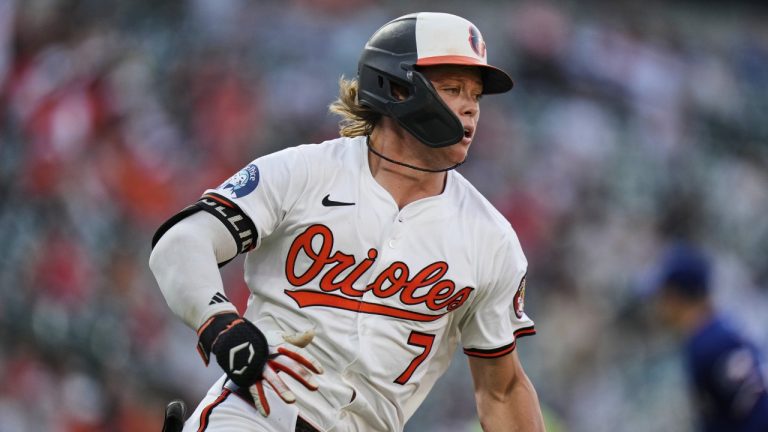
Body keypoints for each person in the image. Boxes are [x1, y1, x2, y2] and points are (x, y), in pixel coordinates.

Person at [150, 12, 544, 432]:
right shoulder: (304, 171)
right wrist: (220, 322)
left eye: (476, 96)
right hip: (256, 414)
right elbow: (182, 239)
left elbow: (501, 390)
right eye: (453, 89)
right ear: (397, 85)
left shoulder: (491, 238)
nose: (470, 107)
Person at [651, 242, 768, 432]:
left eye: (662, 296)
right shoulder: (718, 330)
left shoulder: (709, 344)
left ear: (674, 297)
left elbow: (759, 412)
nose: (658, 306)